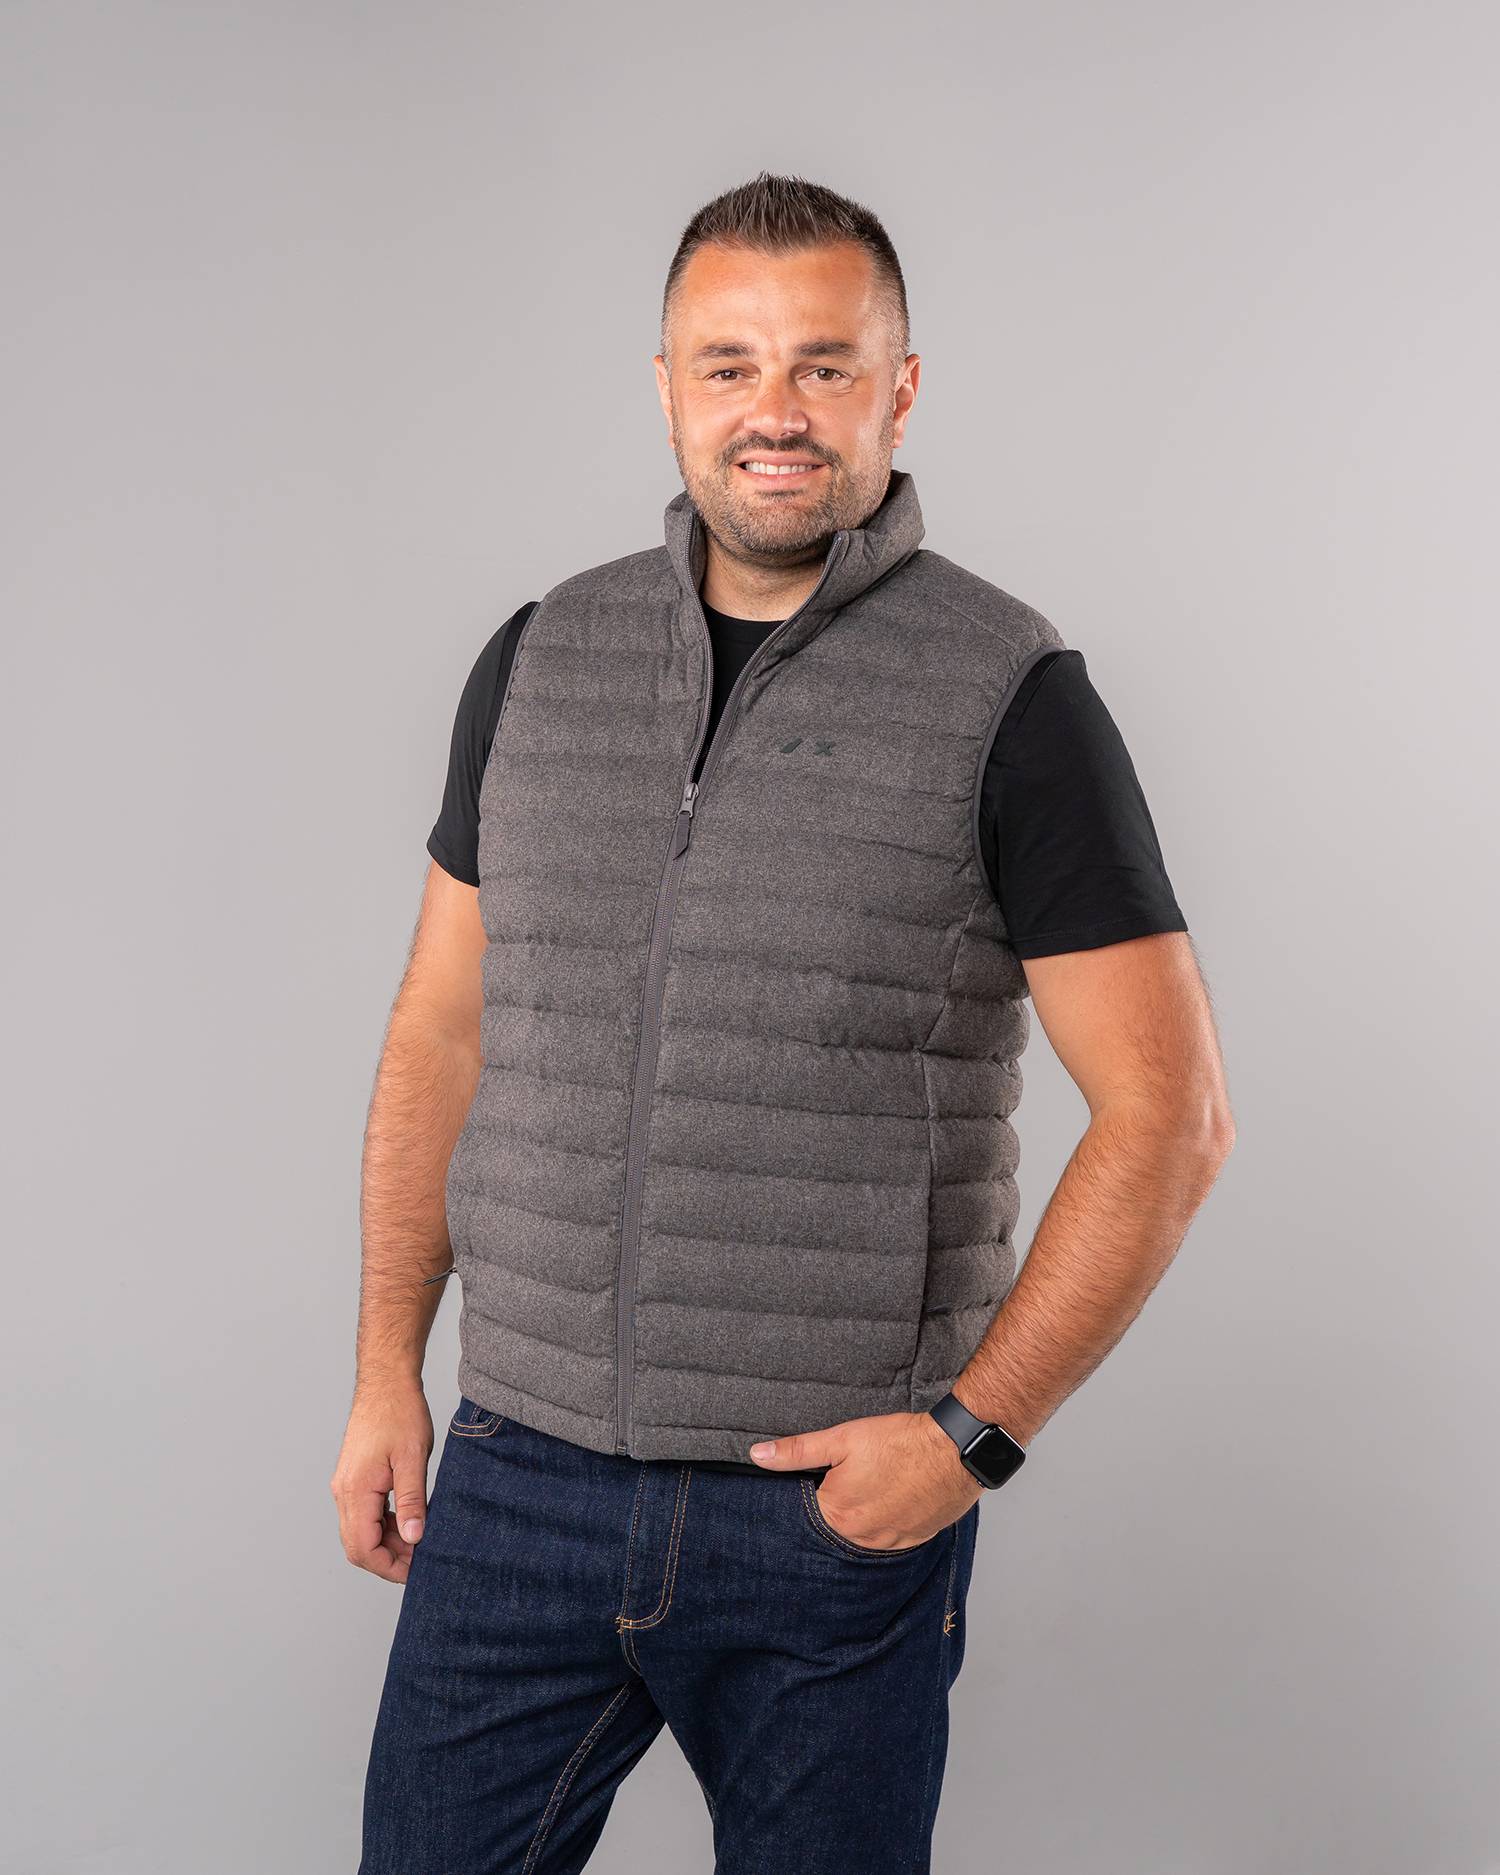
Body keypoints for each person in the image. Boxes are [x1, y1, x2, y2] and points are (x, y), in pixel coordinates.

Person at [334, 171, 1235, 1874]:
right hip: (517, 1482)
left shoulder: (1011, 694)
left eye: (826, 365)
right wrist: (389, 1375)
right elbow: (443, 1033)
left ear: (901, 388)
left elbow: (1170, 1116)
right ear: (667, 386)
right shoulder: (540, 658)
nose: (776, 412)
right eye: (729, 363)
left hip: (822, 1511)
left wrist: (973, 1441)